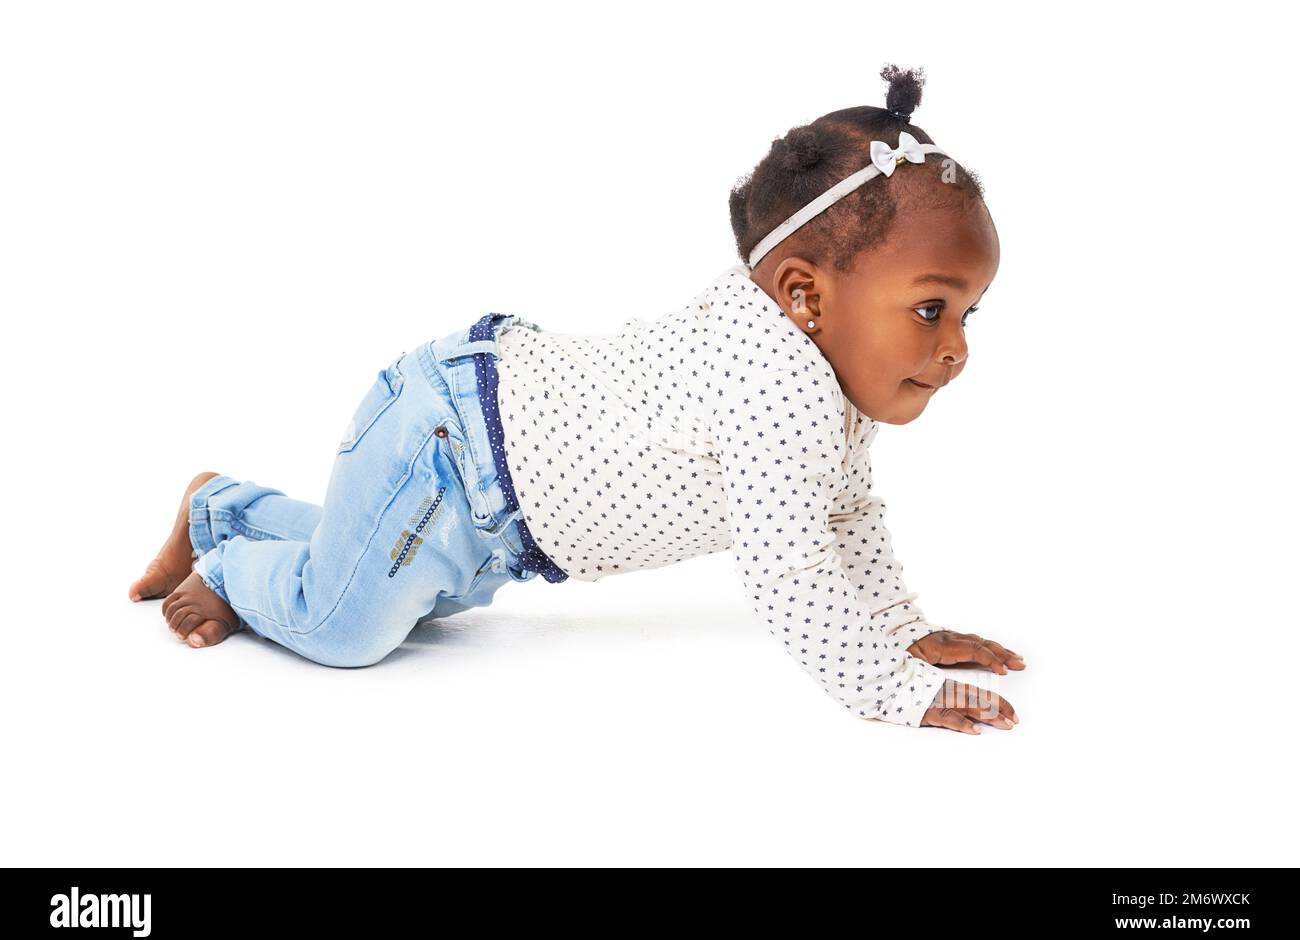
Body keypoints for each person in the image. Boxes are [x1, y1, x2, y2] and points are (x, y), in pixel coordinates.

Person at [129, 63, 1025, 734]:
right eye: (929, 308)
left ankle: (221, 510)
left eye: (968, 313)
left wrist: (904, 629)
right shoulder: (777, 384)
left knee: (390, 586)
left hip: (487, 498)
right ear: (803, 292)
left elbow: (843, 513)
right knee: (346, 626)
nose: (955, 348)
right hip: (449, 454)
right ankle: (230, 573)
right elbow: (788, 565)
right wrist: (893, 685)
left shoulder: (813, 364)